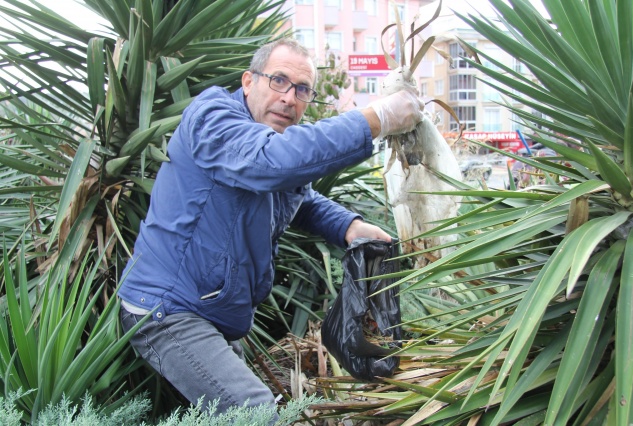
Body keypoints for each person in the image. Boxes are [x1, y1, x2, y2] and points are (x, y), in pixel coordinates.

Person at [118, 38, 423, 417]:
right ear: (249, 82)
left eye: (302, 90)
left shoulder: (270, 136)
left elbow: (300, 199)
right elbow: (271, 163)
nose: (289, 98)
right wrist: (378, 118)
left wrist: (349, 226)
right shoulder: (212, 118)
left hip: (213, 313)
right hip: (166, 309)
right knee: (259, 413)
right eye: (278, 81)